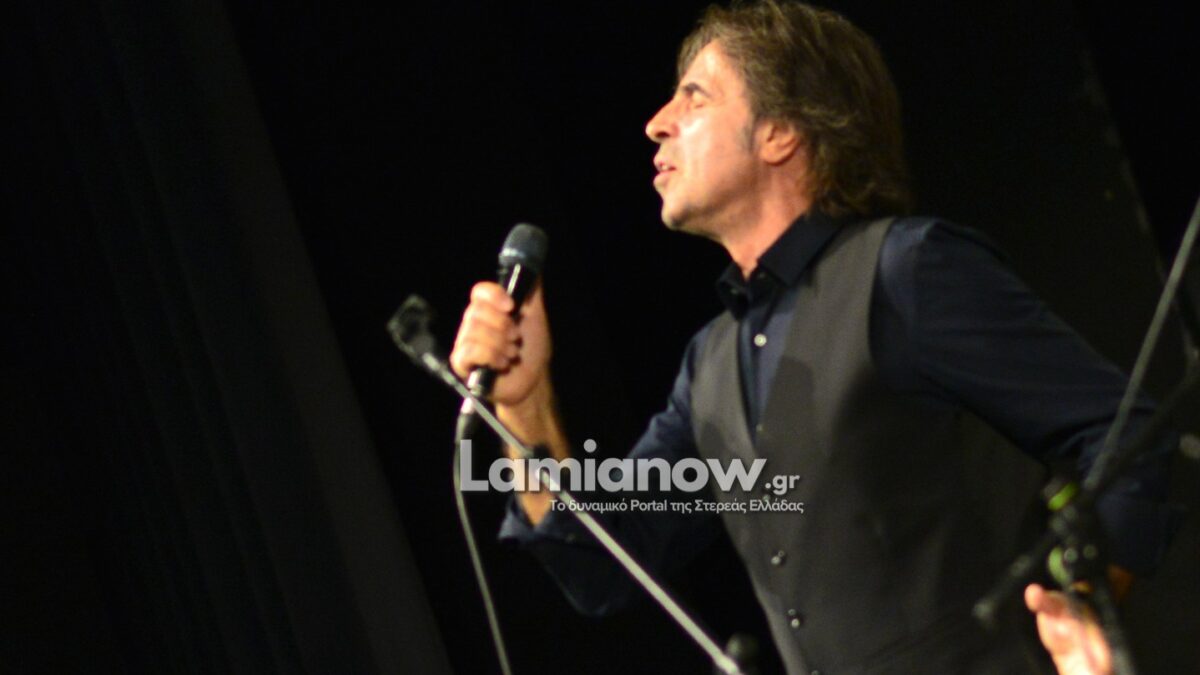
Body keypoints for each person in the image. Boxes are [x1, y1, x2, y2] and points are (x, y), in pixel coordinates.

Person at [449, 1, 1174, 672]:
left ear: (780, 132)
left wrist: (1086, 603)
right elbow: (605, 563)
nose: (657, 122)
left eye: (694, 96)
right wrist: (525, 405)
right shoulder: (709, 365)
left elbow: (1127, 434)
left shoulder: (906, 272)